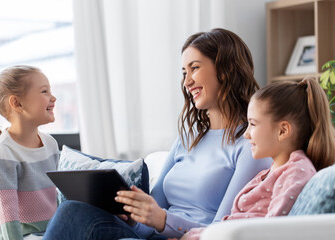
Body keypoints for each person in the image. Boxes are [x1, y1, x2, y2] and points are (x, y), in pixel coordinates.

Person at [43, 28, 272, 240]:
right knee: (74, 208)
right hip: (156, 235)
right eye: (184, 72)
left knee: (72, 212)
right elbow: (152, 214)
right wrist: (133, 216)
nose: (187, 81)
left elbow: (223, 229)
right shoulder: (187, 139)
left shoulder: (251, 145)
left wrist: (163, 220)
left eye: (195, 68)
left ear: (226, 69)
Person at [178, 77, 335, 240]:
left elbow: (272, 230)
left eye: (253, 124)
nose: (246, 134)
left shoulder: (296, 172)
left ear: (283, 131)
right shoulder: (272, 171)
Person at [0, 65, 59, 240]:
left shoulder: (50, 144)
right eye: (44, 92)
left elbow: (56, 196)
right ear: (17, 103)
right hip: (22, 235)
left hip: (50, 230)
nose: (53, 97)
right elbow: (8, 215)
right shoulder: (4, 152)